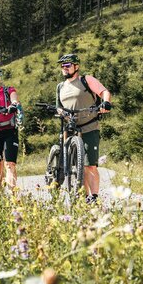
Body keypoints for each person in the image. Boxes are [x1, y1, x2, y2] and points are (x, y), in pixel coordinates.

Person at [56, 54, 112, 203]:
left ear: (76, 66)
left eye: (68, 65)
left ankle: (94, 197)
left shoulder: (86, 80)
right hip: (71, 128)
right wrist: (61, 112)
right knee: (78, 165)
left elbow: (104, 92)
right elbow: (58, 107)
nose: (64, 68)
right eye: (62, 66)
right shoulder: (60, 87)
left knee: (90, 165)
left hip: (89, 126)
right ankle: (84, 196)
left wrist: (106, 103)